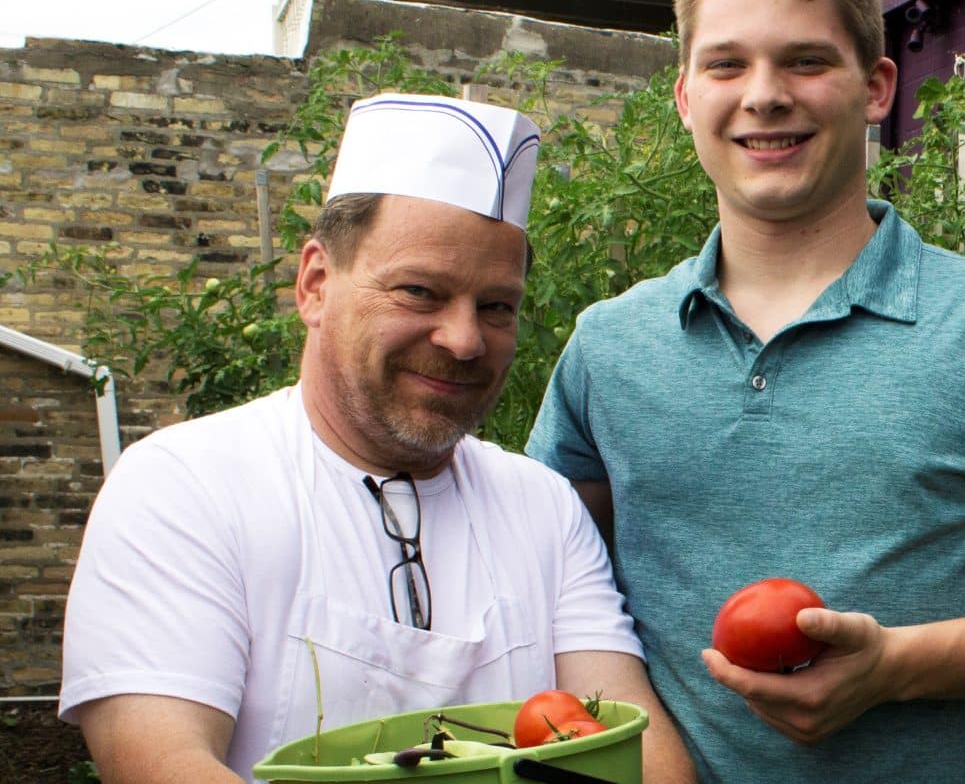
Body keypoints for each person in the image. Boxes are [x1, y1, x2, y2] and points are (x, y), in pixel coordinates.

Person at [526, 0, 965, 784]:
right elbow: (549, 587)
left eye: (805, 60)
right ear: (685, 94)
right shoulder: (610, 347)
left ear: (876, 87)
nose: (764, 94)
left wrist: (900, 665)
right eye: (727, 63)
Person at [59, 93, 694, 784]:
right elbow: (162, 763)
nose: (463, 339)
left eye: (496, 306)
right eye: (419, 291)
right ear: (315, 284)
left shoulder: (544, 507)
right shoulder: (182, 486)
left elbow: (642, 750)